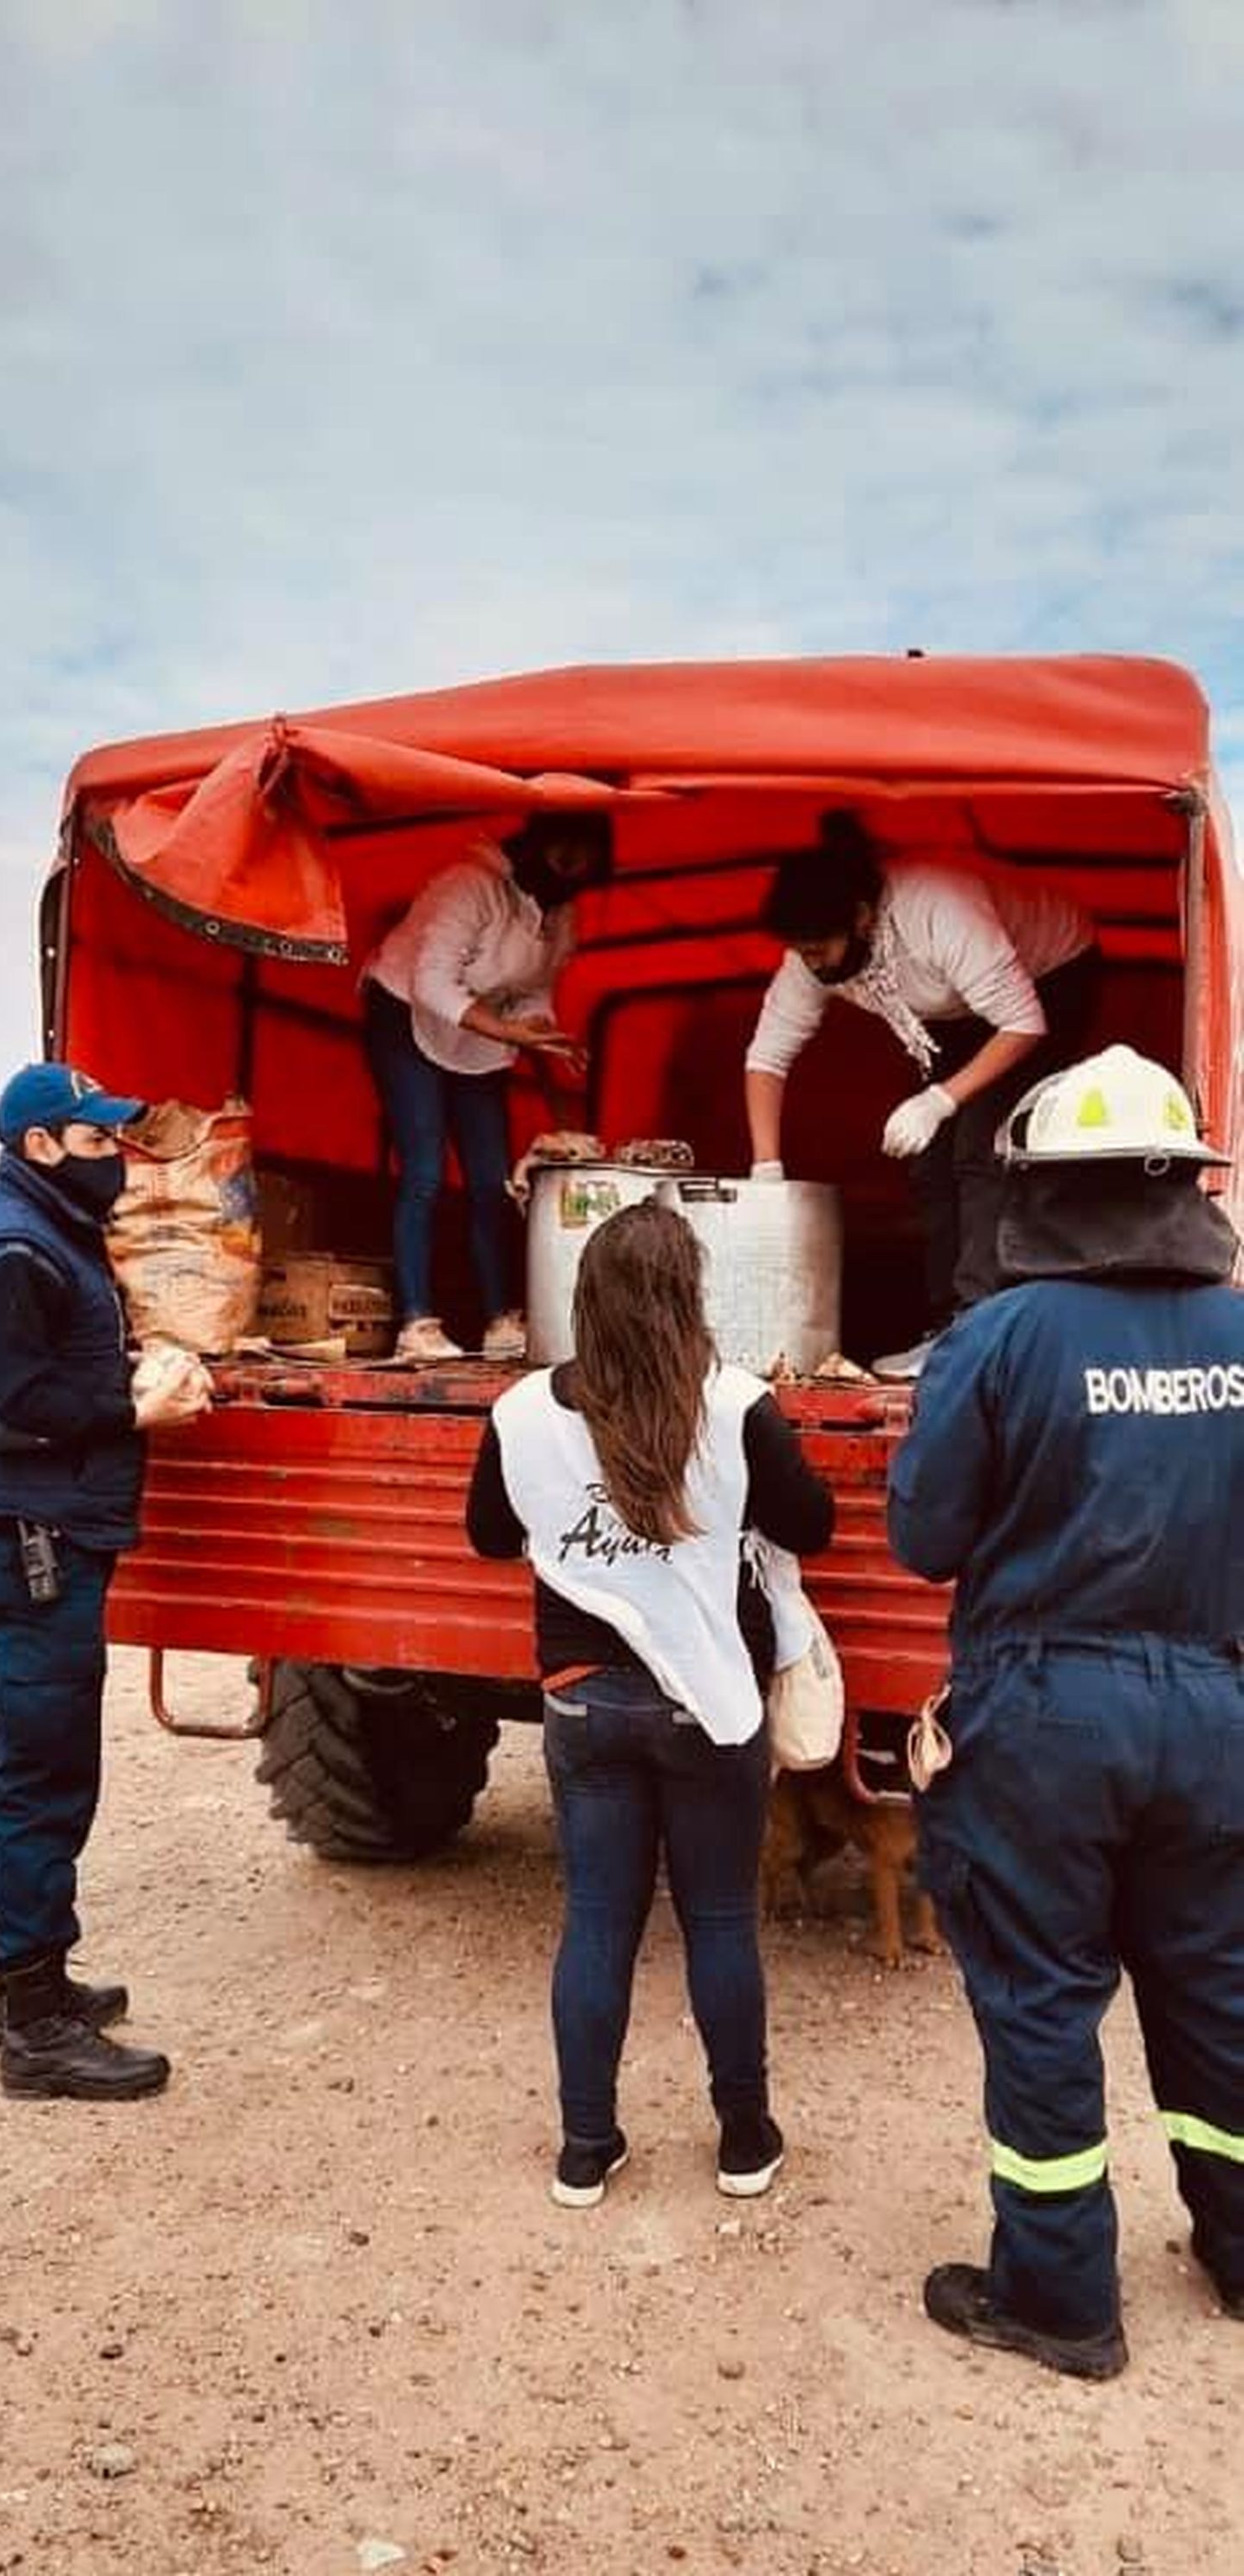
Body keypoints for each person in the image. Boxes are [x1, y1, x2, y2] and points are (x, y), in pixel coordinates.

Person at [887, 1044, 1244, 2380]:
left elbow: (927, 1537)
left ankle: (1061, 2299)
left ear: (1044, 1194)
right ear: (1180, 1190)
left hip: (1045, 1713)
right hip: (1216, 1710)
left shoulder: (1001, 1339)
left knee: (1043, 2000)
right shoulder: (1242, 1334)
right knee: (1215, 1985)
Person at [466, 1196, 834, 2207]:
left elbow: (491, 1537)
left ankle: (586, 2146)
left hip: (584, 1705)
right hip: (709, 1708)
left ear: (585, 1298)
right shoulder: (736, 1405)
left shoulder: (521, 1410)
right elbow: (816, 1524)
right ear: (689, 1297)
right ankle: (744, 2141)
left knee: (596, 1921)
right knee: (719, 1921)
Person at [0, 1063, 212, 2101]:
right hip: (29, 1536)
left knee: (46, 1759)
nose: (117, 1156)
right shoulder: (9, 1246)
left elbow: (52, 1368)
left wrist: (138, 1363)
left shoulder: (44, 1223)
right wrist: (137, 1410)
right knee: (39, 1769)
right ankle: (39, 2028)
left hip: (47, 1528)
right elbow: (8, 1408)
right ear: (41, 1144)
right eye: (97, 1141)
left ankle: (27, 1988)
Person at [744, 808, 1098, 1376]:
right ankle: (945, 1327)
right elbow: (766, 1056)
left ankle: (981, 1327)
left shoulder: (937, 907)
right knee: (931, 1166)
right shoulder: (815, 958)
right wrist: (766, 1166)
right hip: (958, 1008)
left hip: (1050, 977)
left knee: (981, 1144)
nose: (811, 963)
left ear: (860, 918)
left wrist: (940, 1100)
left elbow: (1023, 1022)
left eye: (819, 948)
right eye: (801, 951)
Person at [361, 812, 612, 1365]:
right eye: (563, 856)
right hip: (406, 1011)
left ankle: (501, 1318)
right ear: (538, 845)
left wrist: (542, 1031)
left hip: (478, 1031)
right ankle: (416, 1322)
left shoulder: (560, 916)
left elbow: (533, 991)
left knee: (491, 1180)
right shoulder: (469, 884)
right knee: (424, 1172)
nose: (570, 872)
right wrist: (507, 1031)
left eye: (582, 866)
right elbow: (431, 981)